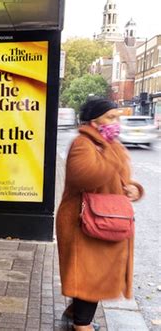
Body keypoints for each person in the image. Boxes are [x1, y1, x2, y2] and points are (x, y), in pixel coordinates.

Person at [56, 98, 144, 331]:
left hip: (107, 219)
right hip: (83, 220)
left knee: (95, 271)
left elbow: (119, 178)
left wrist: (134, 188)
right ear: (94, 121)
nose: (117, 122)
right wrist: (112, 157)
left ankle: (76, 313)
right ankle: (81, 325)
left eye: (117, 117)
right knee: (90, 273)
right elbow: (86, 177)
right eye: (111, 117)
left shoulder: (111, 144)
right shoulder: (83, 143)